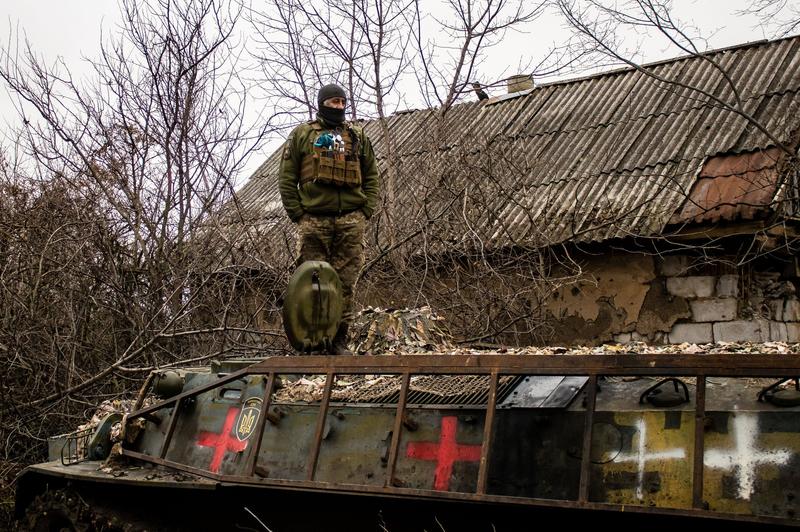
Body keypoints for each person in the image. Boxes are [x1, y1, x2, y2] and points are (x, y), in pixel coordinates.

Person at [279, 83, 380, 355]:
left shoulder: (357, 137)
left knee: (345, 284)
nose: (338, 107)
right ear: (322, 103)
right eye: (333, 102)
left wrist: (365, 210)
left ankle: (338, 341)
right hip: (314, 220)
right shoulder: (302, 135)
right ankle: (311, 344)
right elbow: (287, 179)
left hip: (350, 219)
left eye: (341, 102)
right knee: (311, 283)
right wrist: (299, 214)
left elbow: (372, 176)